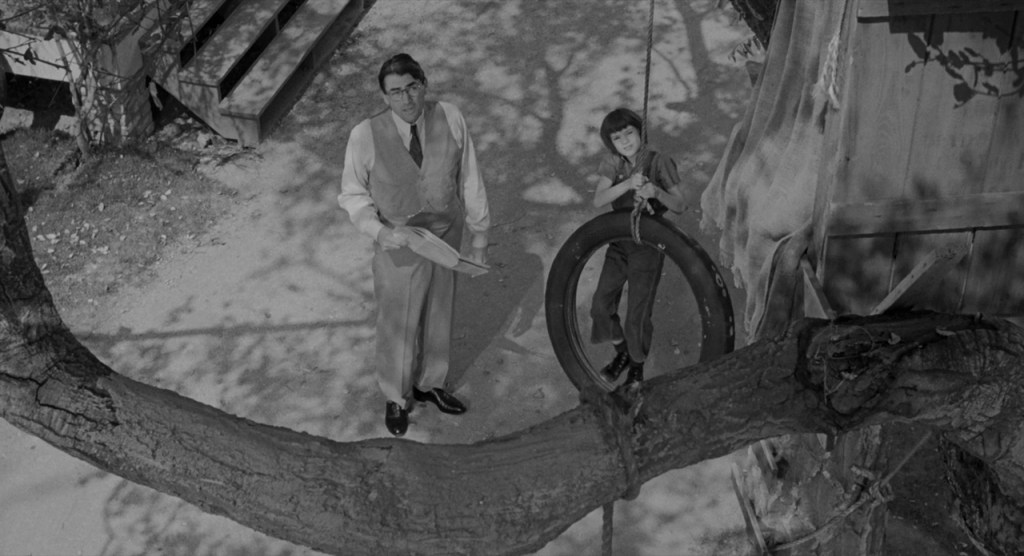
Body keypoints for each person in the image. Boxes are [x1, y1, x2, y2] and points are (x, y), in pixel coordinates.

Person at [338, 53, 490, 437]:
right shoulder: (364, 135)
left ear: (423, 85)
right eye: (395, 92)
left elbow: (469, 176)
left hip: (445, 232)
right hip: (398, 240)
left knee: (439, 309)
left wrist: (480, 234)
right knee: (399, 318)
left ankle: (431, 383)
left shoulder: (450, 116)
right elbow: (352, 195)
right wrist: (379, 232)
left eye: (412, 88)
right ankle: (396, 395)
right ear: (384, 97)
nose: (406, 99)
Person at [589, 108, 686, 385]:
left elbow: (680, 204)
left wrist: (656, 192)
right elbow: (598, 199)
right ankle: (622, 351)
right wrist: (628, 185)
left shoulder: (658, 161)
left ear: (640, 132)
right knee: (600, 305)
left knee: (637, 314)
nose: (625, 141)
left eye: (629, 133)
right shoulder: (613, 162)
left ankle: (636, 366)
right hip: (619, 242)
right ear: (611, 144)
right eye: (617, 138)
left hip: (646, 244)